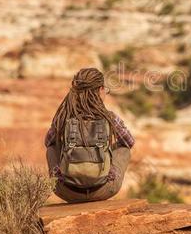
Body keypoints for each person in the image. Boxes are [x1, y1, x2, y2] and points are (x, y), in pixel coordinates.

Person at [45, 68, 135, 203]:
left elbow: (48, 142)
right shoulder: (109, 117)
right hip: (103, 190)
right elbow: (129, 142)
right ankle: (108, 176)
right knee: (124, 149)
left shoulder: (64, 116)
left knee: (52, 147)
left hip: (67, 191)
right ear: (100, 90)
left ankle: (61, 177)